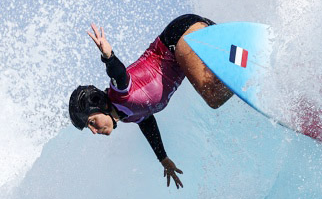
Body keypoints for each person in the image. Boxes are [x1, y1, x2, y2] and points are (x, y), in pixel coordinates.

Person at [68, 14, 234, 189]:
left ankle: (248, 78)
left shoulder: (119, 94)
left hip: (179, 37)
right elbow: (147, 122)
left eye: (91, 122)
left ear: (99, 105)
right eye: (90, 128)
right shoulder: (127, 115)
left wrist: (108, 56)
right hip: (184, 40)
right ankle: (243, 61)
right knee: (218, 83)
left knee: (213, 96)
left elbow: (119, 74)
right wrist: (163, 159)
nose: (94, 131)